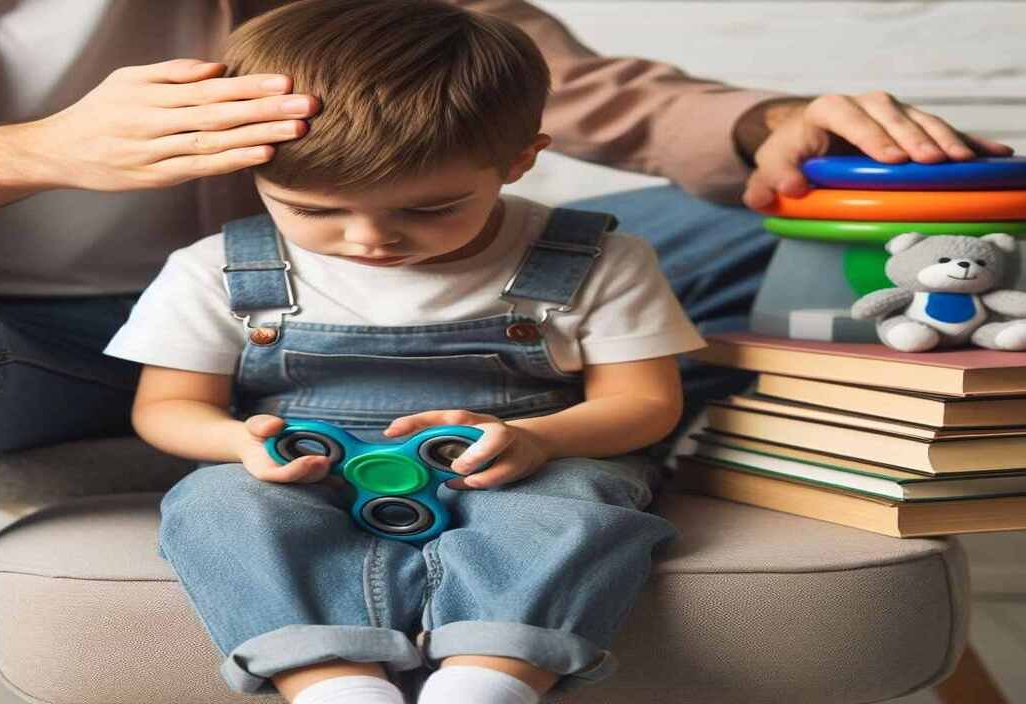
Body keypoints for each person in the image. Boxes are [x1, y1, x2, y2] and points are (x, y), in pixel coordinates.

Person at [0, 1, 1007, 703]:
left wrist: (764, 122)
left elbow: (518, 73)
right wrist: (19, 153)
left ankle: (592, 528)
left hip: (384, 327)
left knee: (772, 231)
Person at [104, 3, 689, 702]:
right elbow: (168, 407)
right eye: (316, 211)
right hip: (306, 471)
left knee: (579, 500)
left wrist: (536, 440)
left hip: (520, 466)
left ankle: (491, 679)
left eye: (429, 208)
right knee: (218, 505)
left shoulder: (596, 259)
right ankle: (331, 682)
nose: (368, 239)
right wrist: (240, 442)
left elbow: (646, 403)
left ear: (520, 160)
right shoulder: (218, 269)